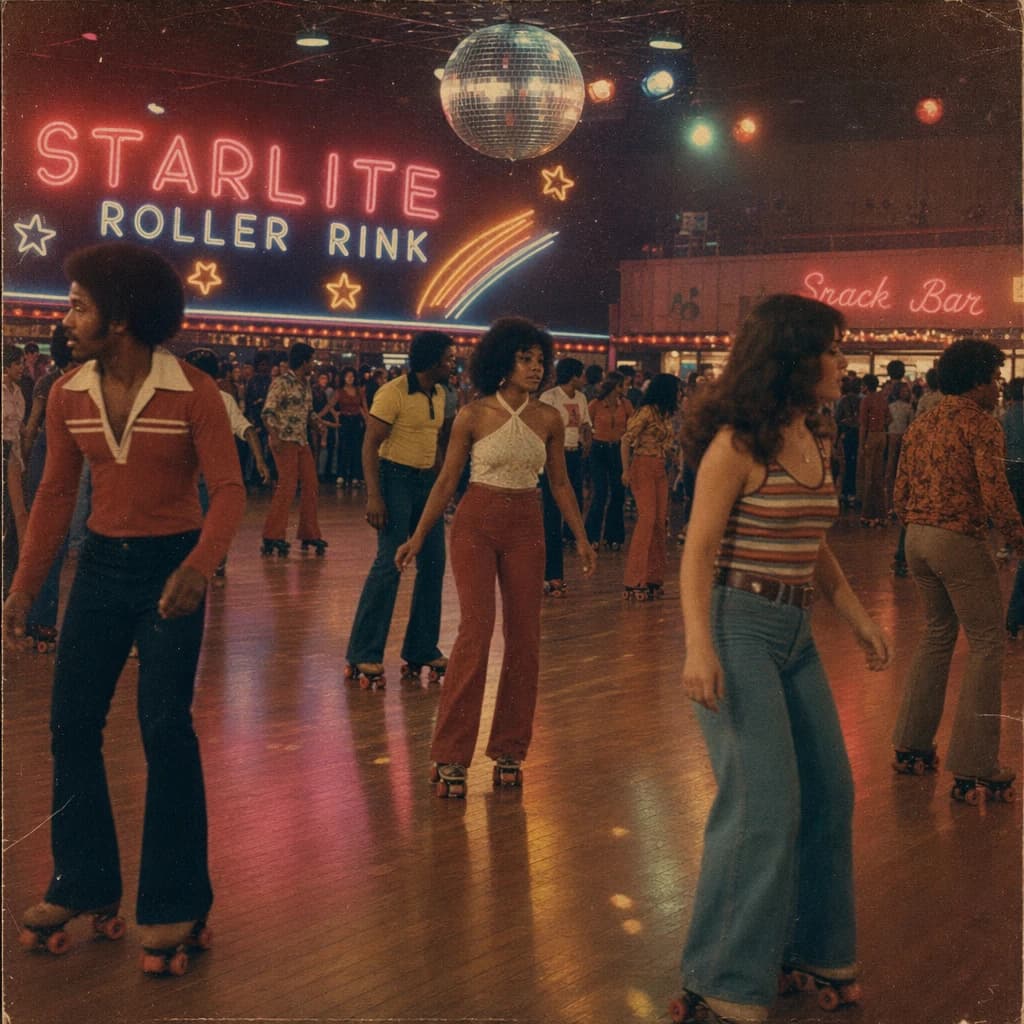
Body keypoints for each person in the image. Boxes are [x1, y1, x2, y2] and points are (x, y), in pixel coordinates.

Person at [3, 241, 245, 972]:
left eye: (78, 305)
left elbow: (229, 492)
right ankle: (84, 880)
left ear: (122, 317)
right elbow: (52, 497)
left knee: (164, 727)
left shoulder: (193, 391)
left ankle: (177, 899)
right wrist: (20, 590)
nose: (65, 317)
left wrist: (201, 568)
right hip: (102, 571)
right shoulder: (68, 391)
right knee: (72, 724)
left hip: (171, 572)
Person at [674, 294, 890, 1024]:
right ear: (791, 359)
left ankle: (813, 948)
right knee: (763, 804)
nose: (840, 363)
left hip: (793, 633)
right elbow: (698, 551)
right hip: (737, 627)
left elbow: (813, 543)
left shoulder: (809, 438)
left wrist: (858, 620)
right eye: (829, 350)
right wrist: (699, 647)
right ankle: (720, 976)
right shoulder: (736, 445)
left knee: (830, 792)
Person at [395, 317, 595, 797]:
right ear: (501, 362)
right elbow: (447, 482)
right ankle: (449, 754)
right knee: (476, 631)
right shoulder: (473, 414)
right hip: (476, 523)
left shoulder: (548, 418)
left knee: (525, 637)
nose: (534, 367)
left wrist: (582, 538)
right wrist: (418, 536)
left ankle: (510, 749)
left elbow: (561, 484)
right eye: (525, 359)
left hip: (528, 525)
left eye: (539, 360)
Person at [892, 339, 1023, 802]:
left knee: (937, 634)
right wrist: (1017, 537)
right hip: (958, 541)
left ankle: (911, 743)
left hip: (917, 539)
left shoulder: (924, 421)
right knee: (987, 643)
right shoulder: (982, 425)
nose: (998, 384)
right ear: (977, 380)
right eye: (994, 376)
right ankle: (975, 764)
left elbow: (900, 491)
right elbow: (995, 491)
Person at [344, 331, 455, 689]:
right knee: (390, 562)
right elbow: (369, 445)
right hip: (394, 480)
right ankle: (364, 651)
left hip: (426, 484)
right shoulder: (392, 393)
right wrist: (374, 497)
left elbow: (435, 443)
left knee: (434, 562)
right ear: (433, 361)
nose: (453, 364)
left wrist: (441, 487)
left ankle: (421, 647)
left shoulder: (441, 394)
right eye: (449, 358)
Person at [18, 324, 75, 648]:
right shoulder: (58, 382)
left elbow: (31, 429)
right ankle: (39, 621)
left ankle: (38, 621)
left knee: (52, 543)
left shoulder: (52, 381)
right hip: (51, 458)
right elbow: (32, 426)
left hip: (54, 458)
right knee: (52, 542)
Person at [259, 342, 327, 556]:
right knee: (287, 486)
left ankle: (309, 533)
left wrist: (317, 422)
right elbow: (267, 412)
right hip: (284, 440)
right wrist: (274, 436)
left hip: (301, 440)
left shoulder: (305, 383)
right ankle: (273, 535)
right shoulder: (281, 383)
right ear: (303, 361)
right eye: (311, 361)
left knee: (311, 484)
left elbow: (307, 411)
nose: (313, 365)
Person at [620, 373, 679, 600]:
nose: (680, 394)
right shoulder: (646, 412)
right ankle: (635, 580)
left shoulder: (664, 415)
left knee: (659, 521)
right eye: (676, 390)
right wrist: (626, 470)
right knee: (647, 520)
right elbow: (626, 440)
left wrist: (675, 461)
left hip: (659, 467)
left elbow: (667, 445)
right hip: (643, 466)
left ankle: (654, 578)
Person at [539, 357, 591, 595]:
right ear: (573, 376)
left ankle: (572, 545)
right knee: (551, 515)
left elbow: (585, 425)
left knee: (574, 505)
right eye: (581, 375)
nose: (584, 380)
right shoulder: (549, 398)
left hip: (573, 455)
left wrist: (585, 444)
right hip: (552, 457)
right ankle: (552, 574)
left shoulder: (581, 398)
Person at [585, 372, 633, 551]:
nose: (626, 388)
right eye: (623, 385)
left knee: (618, 493)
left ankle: (614, 536)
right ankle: (592, 536)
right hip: (599, 450)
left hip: (618, 450)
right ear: (615, 387)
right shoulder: (595, 405)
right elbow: (586, 425)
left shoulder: (626, 405)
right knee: (600, 493)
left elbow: (633, 424)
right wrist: (589, 441)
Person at [3, 345, 28, 597]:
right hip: (3, 453)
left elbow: (19, 430)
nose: (21, 367)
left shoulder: (18, 391)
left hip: (12, 455)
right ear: (6, 366)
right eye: (17, 363)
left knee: (12, 517)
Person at [323, 366, 369, 488]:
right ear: (344, 377)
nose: (350, 379)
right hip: (344, 419)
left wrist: (368, 420)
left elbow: (364, 406)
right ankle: (341, 475)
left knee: (356, 448)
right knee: (343, 447)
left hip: (356, 420)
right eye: (348, 376)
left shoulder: (359, 391)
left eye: (352, 377)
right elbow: (330, 404)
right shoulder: (339, 391)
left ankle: (355, 476)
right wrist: (320, 415)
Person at [856, 372, 888, 526]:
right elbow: (890, 418)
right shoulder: (882, 399)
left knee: (868, 476)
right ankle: (882, 514)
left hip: (871, 437)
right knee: (878, 476)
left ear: (866, 386)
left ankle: (867, 514)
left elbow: (863, 424)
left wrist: (862, 445)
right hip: (882, 435)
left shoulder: (866, 401)